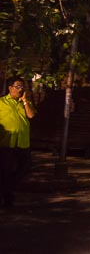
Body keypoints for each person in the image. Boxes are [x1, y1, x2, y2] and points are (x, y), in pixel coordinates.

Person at [0, 77, 36, 208]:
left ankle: (7, 189)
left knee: (25, 167)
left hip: (22, 142)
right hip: (6, 143)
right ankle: (8, 198)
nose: (21, 90)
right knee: (5, 171)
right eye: (18, 87)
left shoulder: (24, 102)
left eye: (22, 87)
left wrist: (25, 101)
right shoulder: (1, 102)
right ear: (10, 88)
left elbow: (31, 116)